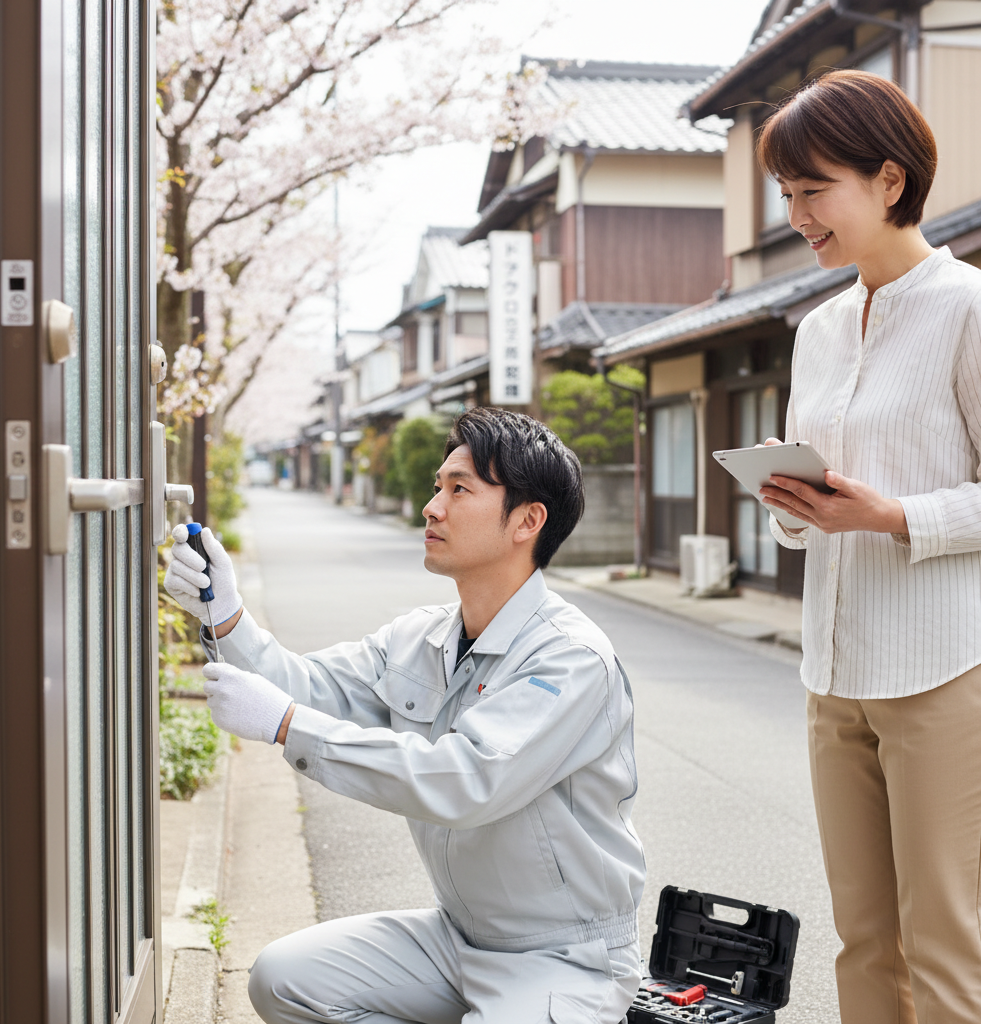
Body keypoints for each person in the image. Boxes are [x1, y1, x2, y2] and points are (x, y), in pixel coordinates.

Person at [164, 407, 646, 1024]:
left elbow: (469, 780)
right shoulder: (420, 637)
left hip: (562, 957)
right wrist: (227, 617)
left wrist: (287, 725)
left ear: (528, 520)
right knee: (282, 980)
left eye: (460, 489)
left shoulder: (571, 660)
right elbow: (309, 687)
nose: (432, 507)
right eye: (437, 486)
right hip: (456, 938)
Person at [756, 70, 981, 1024]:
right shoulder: (814, 332)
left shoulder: (968, 308)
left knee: (946, 943)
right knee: (862, 938)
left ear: (890, 181)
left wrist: (892, 516)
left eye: (815, 191)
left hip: (943, 672)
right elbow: (810, 518)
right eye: (787, 197)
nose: (798, 216)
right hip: (833, 669)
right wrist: (791, 503)